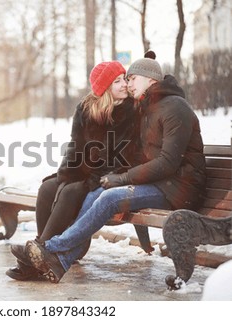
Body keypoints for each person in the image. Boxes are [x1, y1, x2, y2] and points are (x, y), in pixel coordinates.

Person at [19, 52, 207, 284]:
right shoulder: (148, 108)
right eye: (123, 80)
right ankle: (60, 261)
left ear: (151, 79)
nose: (127, 84)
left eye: (131, 79)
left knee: (109, 197)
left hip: (179, 189)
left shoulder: (175, 107)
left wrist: (122, 177)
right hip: (158, 183)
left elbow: (168, 162)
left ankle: (50, 248)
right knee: (94, 194)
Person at [6, 61, 138, 281]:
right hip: (87, 171)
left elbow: (123, 155)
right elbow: (76, 145)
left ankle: (39, 253)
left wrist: (91, 179)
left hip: (112, 174)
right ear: (104, 87)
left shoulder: (131, 111)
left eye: (124, 78)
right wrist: (66, 174)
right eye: (117, 81)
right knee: (48, 188)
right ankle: (39, 254)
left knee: (71, 191)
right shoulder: (86, 108)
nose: (125, 84)